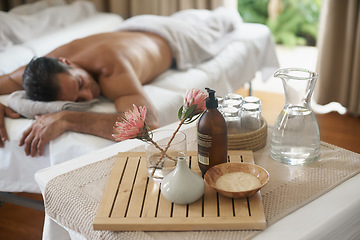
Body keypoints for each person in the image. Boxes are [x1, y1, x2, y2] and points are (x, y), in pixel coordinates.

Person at [0, 7, 242, 157]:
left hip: (178, 37)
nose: (88, 96)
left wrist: (67, 118)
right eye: (76, 101)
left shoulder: (111, 68)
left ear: (67, 62)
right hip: (134, 30)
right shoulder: (46, 67)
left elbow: (147, 124)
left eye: (80, 84)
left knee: (226, 20)